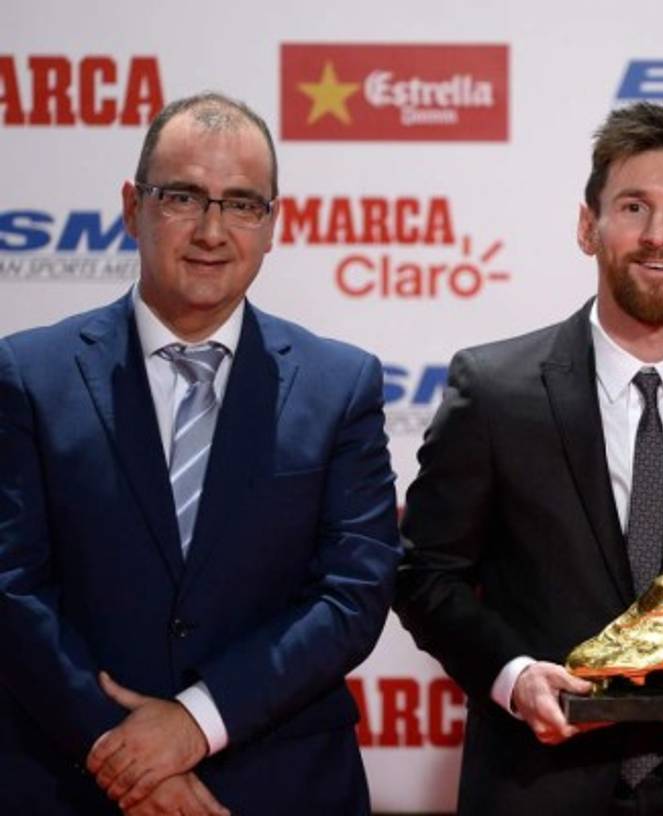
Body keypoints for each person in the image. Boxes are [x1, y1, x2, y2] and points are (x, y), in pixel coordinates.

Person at [394, 101, 663, 815]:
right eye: (633, 206)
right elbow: (425, 575)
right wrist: (511, 674)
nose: (659, 235)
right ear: (587, 226)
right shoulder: (496, 392)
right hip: (533, 788)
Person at [0, 92, 401, 815]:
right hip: (74, 780)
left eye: (242, 204)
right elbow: (11, 587)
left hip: (281, 783)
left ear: (273, 224)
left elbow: (353, 593)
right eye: (183, 196)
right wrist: (119, 751)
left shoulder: (341, 385)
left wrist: (195, 723)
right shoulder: (30, 375)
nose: (213, 230)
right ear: (132, 206)